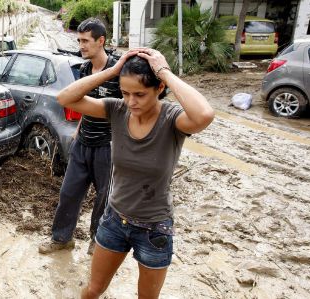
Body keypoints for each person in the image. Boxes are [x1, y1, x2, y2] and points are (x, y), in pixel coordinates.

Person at [56, 48, 215, 298]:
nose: (131, 102)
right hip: (114, 221)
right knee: (93, 289)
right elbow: (65, 98)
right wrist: (113, 69)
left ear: (159, 88)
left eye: (140, 94)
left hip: (154, 229)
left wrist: (165, 71)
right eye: (125, 92)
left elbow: (204, 115)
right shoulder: (117, 110)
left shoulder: (172, 120)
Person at [38, 18, 122, 255]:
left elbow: (130, 107)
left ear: (101, 41)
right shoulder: (84, 69)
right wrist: (77, 131)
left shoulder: (118, 70)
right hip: (83, 143)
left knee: (104, 198)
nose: (81, 45)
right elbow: (81, 102)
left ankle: (97, 241)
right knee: (69, 192)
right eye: (79, 40)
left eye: (86, 41)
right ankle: (62, 238)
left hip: (108, 146)